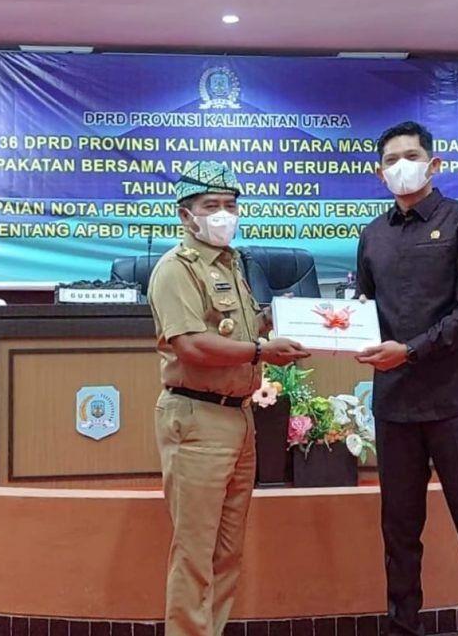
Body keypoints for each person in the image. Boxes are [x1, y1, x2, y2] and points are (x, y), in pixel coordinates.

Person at [355, 121, 458, 636]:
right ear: (379, 174)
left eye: (411, 156)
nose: (402, 166)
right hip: (395, 405)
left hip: (457, 402)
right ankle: (403, 627)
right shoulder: (372, 235)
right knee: (399, 532)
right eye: (391, 160)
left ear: (434, 164)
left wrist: (410, 351)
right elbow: (364, 308)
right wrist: (335, 327)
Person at [147, 161, 309, 636]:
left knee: (227, 551)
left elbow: (242, 327)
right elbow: (192, 345)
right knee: (195, 552)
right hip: (196, 417)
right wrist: (261, 350)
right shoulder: (176, 269)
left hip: (238, 417)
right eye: (211, 206)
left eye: (231, 205)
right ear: (186, 215)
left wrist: (304, 319)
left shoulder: (232, 264)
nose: (223, 214)